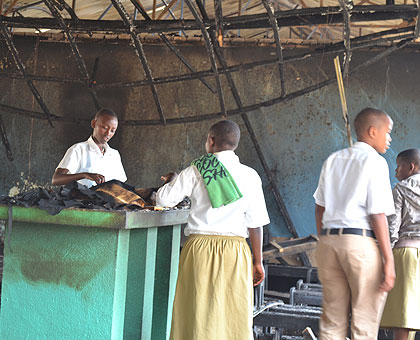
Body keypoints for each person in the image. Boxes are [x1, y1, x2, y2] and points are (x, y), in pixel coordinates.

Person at [156, 120, 270, 340]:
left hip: (199, 248)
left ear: (211, 140)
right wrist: (258, 261)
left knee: (196, 311)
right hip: (236, 251)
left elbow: (163, 199)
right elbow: (255, 223)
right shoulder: (250, 175)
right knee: (232, 313)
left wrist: (174, 180)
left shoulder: (196, 170)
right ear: (235, 144)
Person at [313, 107, 395, 340]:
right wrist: (389, 260)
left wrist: (325, 240)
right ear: (372, 131)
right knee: (364, 321)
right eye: (387, 132)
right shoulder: (375, 162)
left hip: (328, 242)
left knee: (331, 321)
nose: (389, 139)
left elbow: (319, 207)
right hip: (360, 243)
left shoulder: (332, 160)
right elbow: (377, 214)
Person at [380, 149, 420, 340]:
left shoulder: (400, 189)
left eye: (398, 166)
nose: (396, 171)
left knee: (404, 313)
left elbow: (391, 228)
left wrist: (385, 256)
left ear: (411, 167)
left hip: (406, 252)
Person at [52, 108, 126, 188]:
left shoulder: (114, 155)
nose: (108, 133)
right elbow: (56, 180)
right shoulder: (78, 150)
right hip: (80, 199)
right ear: (94, 123)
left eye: (112, 131)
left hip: (107, 200)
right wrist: (84, 175)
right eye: (104, 128)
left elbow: (120, 185)